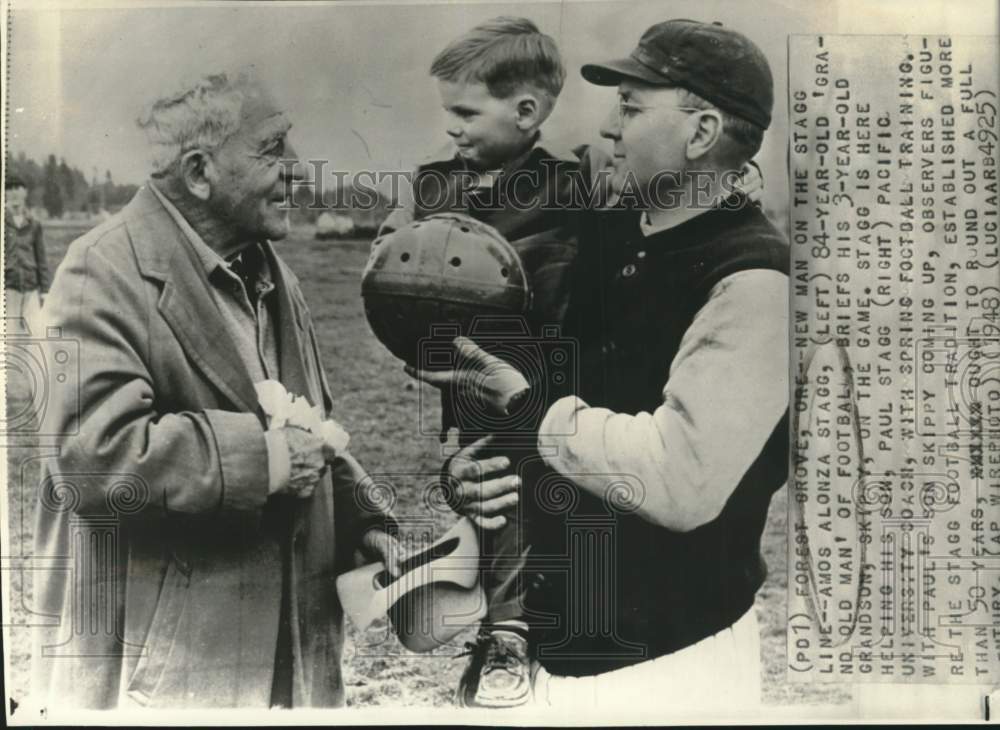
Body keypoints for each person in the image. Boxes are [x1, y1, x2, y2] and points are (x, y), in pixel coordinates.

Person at [413, 19, 789, 714]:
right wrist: (471, 476)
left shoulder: (754, 282)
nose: (608, 129)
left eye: (632, 106)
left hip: (671, 669)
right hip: (558, 659)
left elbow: (679, 481)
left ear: (702, 133)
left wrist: (526, 411)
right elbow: (544, 411)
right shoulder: (608, 236)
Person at [30, 68, 401, 710]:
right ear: (200, 172)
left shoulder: (270, 270)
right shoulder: (98, 269)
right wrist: (270, 459)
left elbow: (308, 429)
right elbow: (90, 456)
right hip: (173, 669)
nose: (295, 169)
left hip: (289, 652)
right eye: (272, 150)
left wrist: (363, 521)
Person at [378, 16, 594, 709]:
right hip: (474, 385)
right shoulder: (429, 185)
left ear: (527, 111)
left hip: (555, 380)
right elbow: (387, 264)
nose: (454, 129)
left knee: (554, 502)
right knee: (502, 492)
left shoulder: (574, 190)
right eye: (450, 114)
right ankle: (504, 631)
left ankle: (504, 608)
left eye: (466, 112)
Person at [4, 174, 50, 336]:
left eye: (18, 188)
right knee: (9, 339)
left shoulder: (34, 224)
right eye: (9, 189)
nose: (14, 193)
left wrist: (45, 290)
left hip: (31, 289)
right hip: (8, 290)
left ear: (25, 192)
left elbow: (41, 259)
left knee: (38, 337)